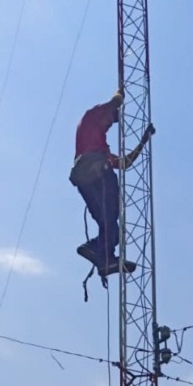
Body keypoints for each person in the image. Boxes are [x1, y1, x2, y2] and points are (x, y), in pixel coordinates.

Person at [69, 90, 155, 278]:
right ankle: (104, 256)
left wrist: (143, 141)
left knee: (111, 227)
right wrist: (120, 92)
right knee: (110, 214)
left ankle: (100, 256)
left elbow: (124, 163)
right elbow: (115, 102)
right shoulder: (93, 116)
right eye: (111, 120)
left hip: (85, 179)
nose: (110, 123)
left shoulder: (103, 149)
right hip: (94, 170)